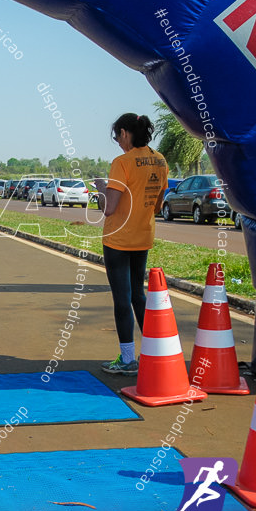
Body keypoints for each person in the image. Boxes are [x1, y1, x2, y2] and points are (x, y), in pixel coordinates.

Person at [97, 113, 168, 375]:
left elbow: (109, 208)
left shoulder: (122, 163)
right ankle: (154, 353)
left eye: (117, 137)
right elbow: (159, 205)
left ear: (125, 133)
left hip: (118, 239)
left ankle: (127, 359)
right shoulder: (160, 160)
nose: (118, 142)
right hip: (143, 236)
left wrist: (102, 189)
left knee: (122, 299)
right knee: (139, 295)